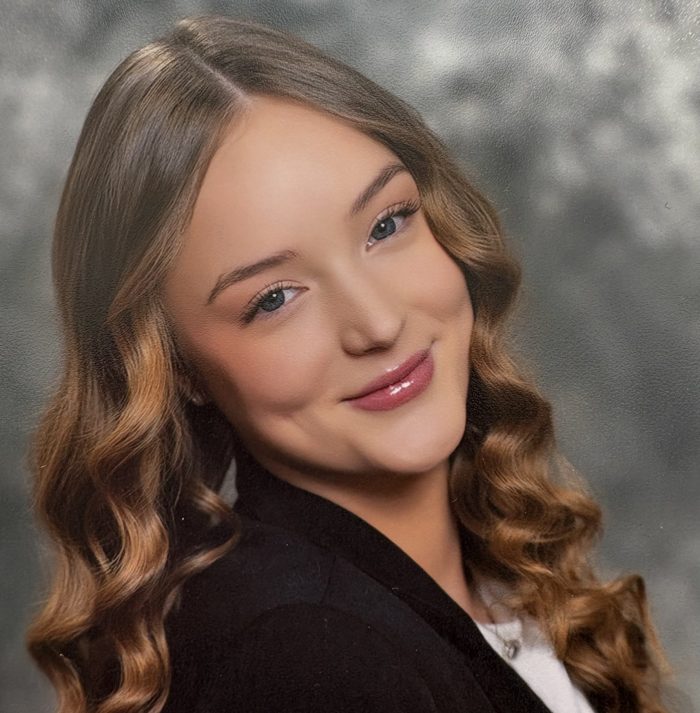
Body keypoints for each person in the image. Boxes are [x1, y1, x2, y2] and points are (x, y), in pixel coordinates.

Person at [26, 15, 671, 713]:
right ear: (176, 368)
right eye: (274, 297)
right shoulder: (309, 654)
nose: (378, 323)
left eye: (386, 225)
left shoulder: (489, 571)